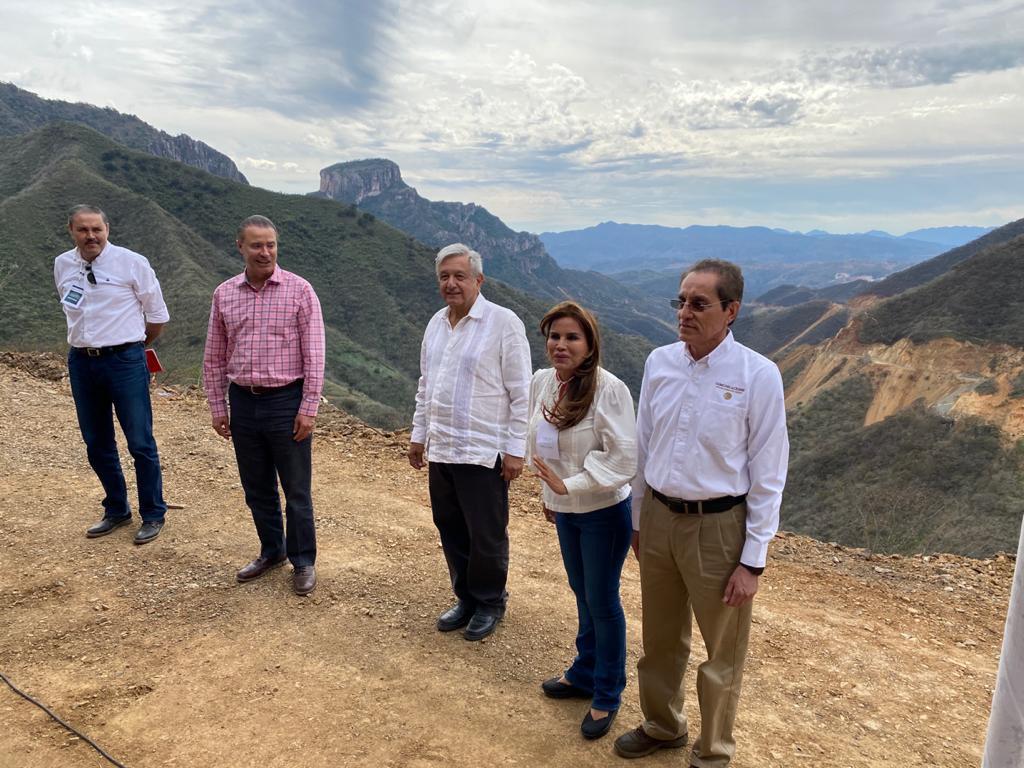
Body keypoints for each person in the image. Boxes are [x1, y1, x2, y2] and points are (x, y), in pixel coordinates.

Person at [614, 259, 789, 768]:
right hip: (660, 518)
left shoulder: (758, 375)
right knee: (660, 638)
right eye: (681, 301)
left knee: (722, 651)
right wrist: (639, 519)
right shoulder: (659, 362)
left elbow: (769, 471)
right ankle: (662, 725)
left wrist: (753, 560)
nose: (684, 312)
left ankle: (712, 752)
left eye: (699, 303)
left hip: (720, 527)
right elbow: (644, 444)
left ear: (731, 311)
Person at [408, 243, 532, 641]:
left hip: (483, 450)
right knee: (450, 525)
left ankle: (490, 601)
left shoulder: (503, 323)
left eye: (459, 276)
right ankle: (465, 597)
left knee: (486, 532)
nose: (451, 283)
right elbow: (426, 385)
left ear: (479, 280)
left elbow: (522, 393)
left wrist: (515, 450)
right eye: (444, 276)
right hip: (443, 447)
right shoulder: (436, 324)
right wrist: (418, 435)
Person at [527, 301, 637, 740]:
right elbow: (542, 445)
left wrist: (568, 486)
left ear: (590, 345)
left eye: (572, 337)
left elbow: (624, 457)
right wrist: (551, 494)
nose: (561, 344)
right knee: (582, 592)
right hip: (567, 511)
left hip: (603, 512)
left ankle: (607, 691)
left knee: (603, 600)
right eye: (554, 336)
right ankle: (584, 671)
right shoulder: (544, 383)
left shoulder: (609, 390)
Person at [202, 215, 325, 596]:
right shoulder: (224, 294)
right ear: (240, 246)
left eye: (271, 244)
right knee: (256, 487)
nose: (265, 252)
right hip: (243, 400)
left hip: (286, 400)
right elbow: (214, 356)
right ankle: (272, 550)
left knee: (296, 490)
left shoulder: (300, 290)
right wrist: (218, 406)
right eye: (256, 245)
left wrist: (308, 408)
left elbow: (315, 354)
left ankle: (303, 561)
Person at [54, 204, 170, 545]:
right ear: (71, 231)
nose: (91, 236)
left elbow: (157, 317)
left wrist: (133, 347)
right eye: (83, 229)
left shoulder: (132, 262)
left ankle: (153, 513)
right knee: (96, 442)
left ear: (107, 230)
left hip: (125, 361)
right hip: (82, 361)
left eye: (97, 229)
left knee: (140, 442)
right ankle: (117, 509)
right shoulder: (62, 264)